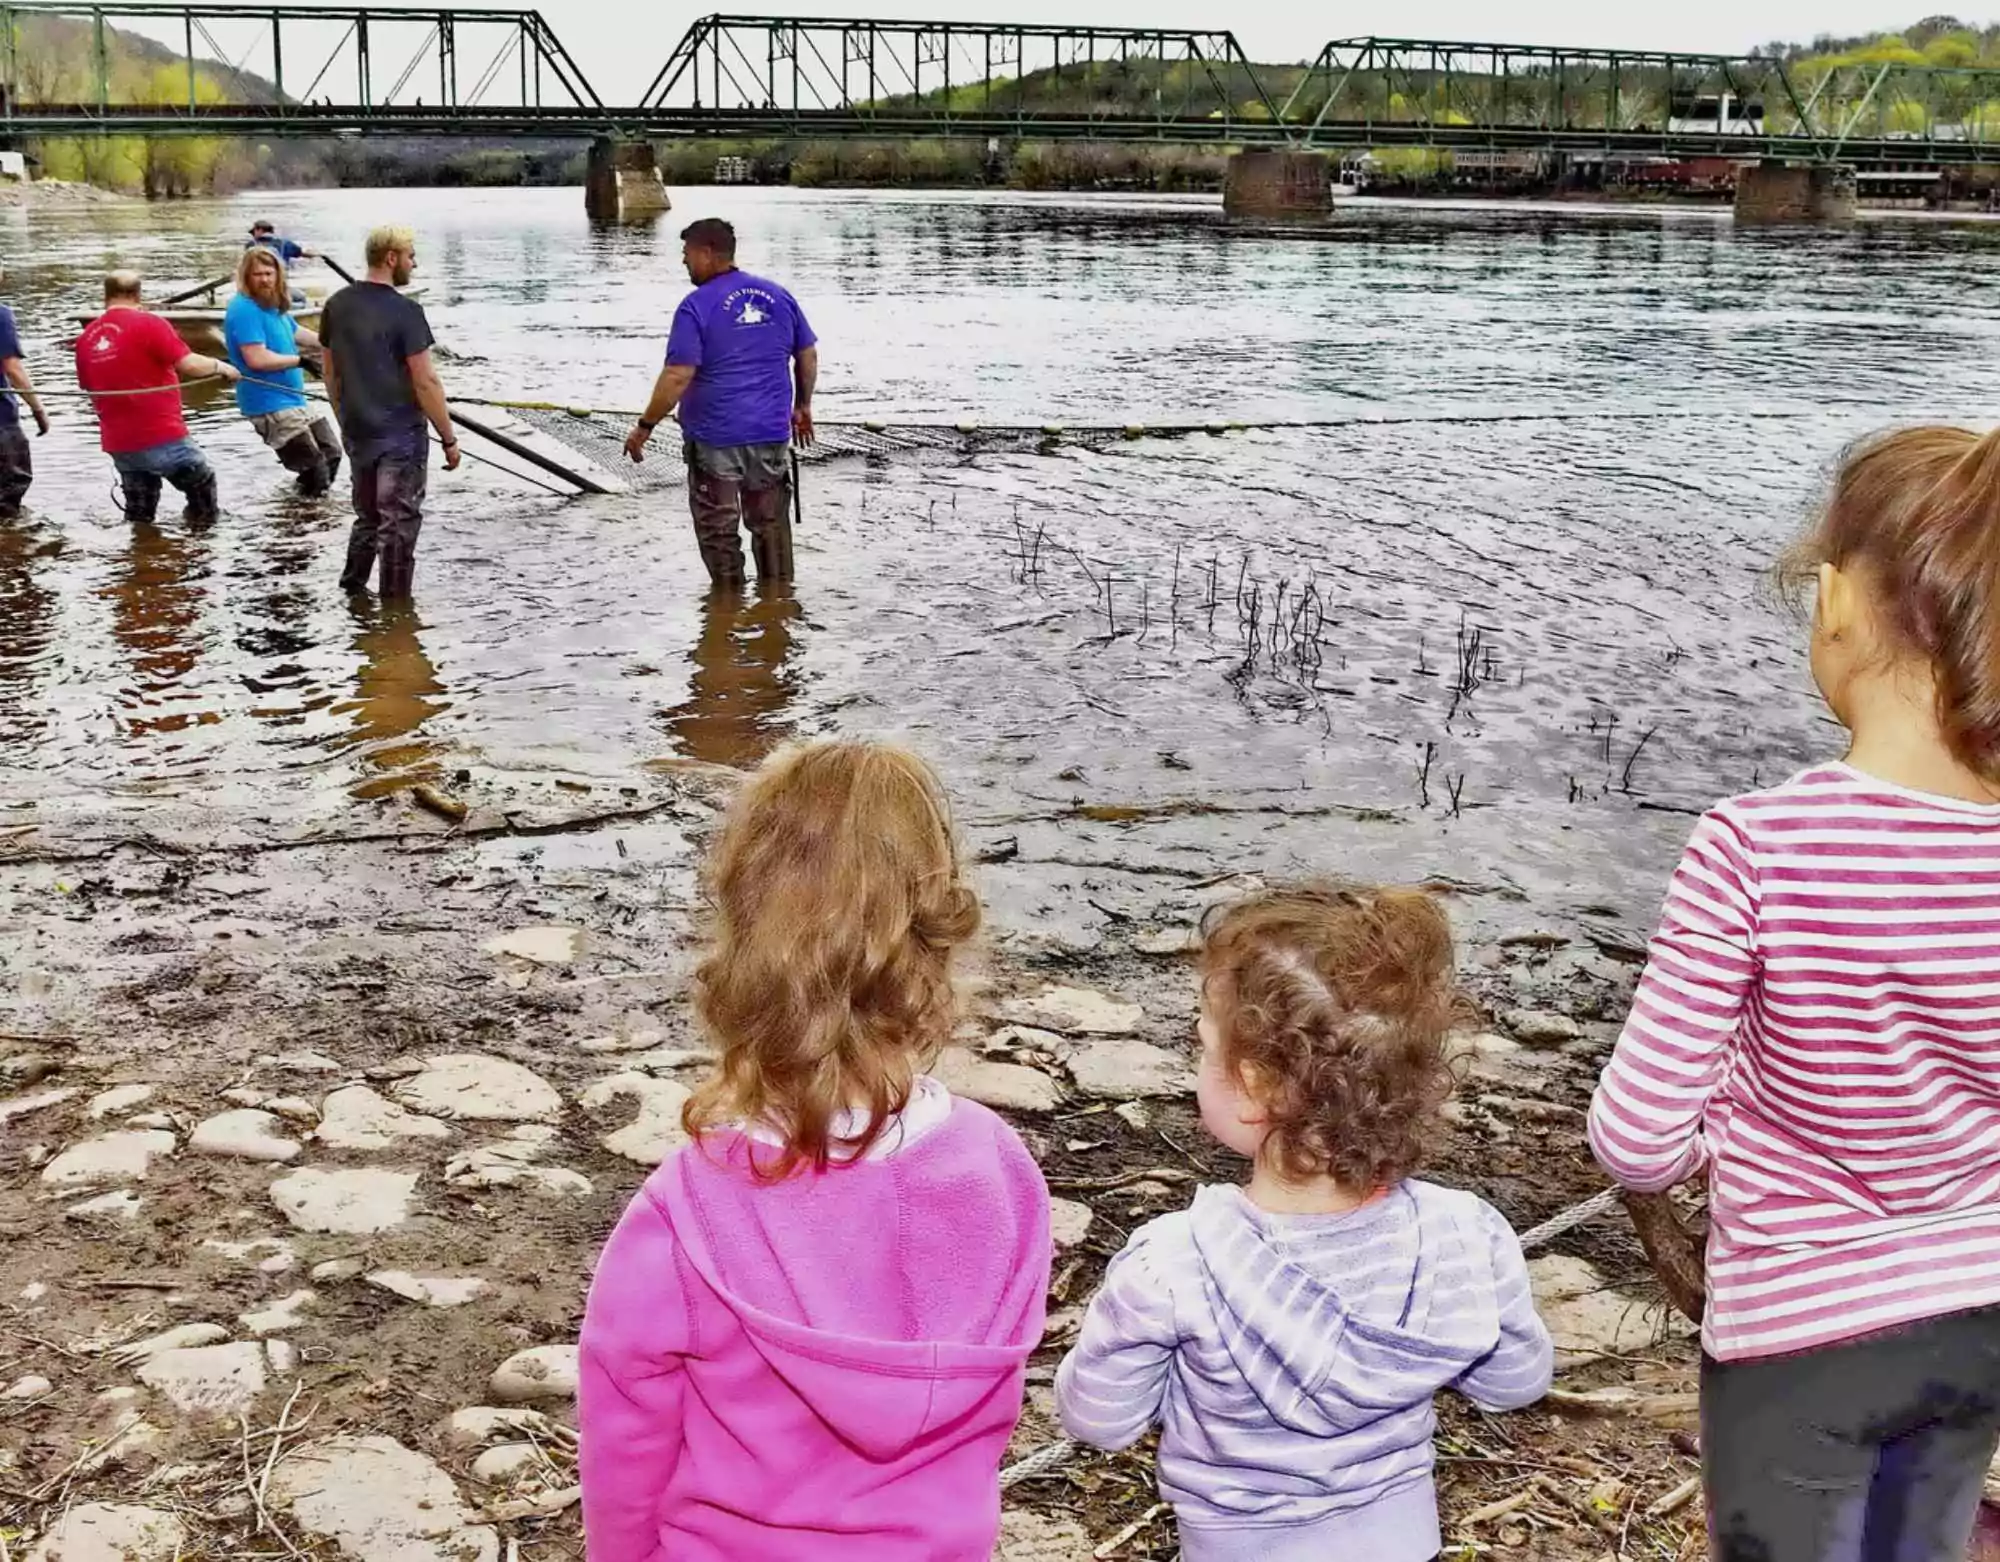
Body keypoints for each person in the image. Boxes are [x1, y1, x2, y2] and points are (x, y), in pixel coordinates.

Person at [1588, 424, 2000, 1562]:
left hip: (1797, 1330)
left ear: (1832, 604)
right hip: (1976, 1308)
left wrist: (1723, 1106)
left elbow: (1634, 1140)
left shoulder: (1756, 844)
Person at [578, 739, 1051, 1562]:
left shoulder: (688, 1210)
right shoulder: (998, 1171)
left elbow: (627, 1424)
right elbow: (989, 1409)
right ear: (933, 938)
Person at [1057, 885, 1554, 1562]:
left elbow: (1099, 1421)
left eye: (1205, 1047)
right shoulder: (1466, 1233)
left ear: (1257, 1085)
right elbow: (1514, 1383)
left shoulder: (1173, 1265)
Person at [624, 218, 818, 589]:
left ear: (707, 253)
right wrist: (803, 405)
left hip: (715, 440)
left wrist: (644, 426)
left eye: (686, 254)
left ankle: (726, 617)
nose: (683, 262)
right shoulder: (778, 295)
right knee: (770, 527)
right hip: (771, 436)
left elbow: (678, 375)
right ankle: (775, 614)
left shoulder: (695, 306)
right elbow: (807, 355)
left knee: (719, 532)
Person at [319, 226, 459, 600]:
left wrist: (344, 419)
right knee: (397, 524)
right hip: (401, 436)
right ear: (391, 258)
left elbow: (329, 374)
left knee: (367, 517)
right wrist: (449, 438)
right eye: (411, 255)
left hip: (357, 430)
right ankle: (395, 620)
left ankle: (352, 593)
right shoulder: (407, 311)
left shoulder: (336, 305)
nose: (414, 263)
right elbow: (426, 382)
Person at [74, 272, 238, 526]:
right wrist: (221, 366)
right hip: (163, 436)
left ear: (105, 296)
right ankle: (204, 552)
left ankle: (144, 554)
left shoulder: (86, 338)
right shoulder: (151, 323)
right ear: (138, 295)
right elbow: (190, 365)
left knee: (140, 517)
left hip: (120, 444)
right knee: (202, 490)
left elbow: (88, 387)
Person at [223, 247, 343, 495]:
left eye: (269, 273)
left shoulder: (272, 305)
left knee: (331, 452)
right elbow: (256, 358)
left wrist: (335, 343)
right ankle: (305, 523)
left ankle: (299, 510)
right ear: (246, 277)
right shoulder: (244, 308)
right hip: (268, 402)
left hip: (293, 398)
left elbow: (296, 332)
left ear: (279, 275)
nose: (265, 279)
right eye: (258, 274)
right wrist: (299, 361)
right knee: (313, 468)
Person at [0, 267, 49, 518]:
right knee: (11, 487)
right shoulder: (1, 314)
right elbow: (13, 369)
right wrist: (38, 409)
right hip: (1, 419)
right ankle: (13, 549)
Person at [246, 219, 314, 267]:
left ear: (259, 230)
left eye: (253, 233)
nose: (253, 235)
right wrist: (318, 255)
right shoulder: (285, 243)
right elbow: (302, 254)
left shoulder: (250, 245)